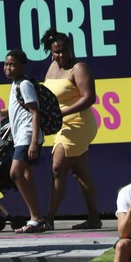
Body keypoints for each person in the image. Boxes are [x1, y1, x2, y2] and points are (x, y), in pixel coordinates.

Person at [40, 29, 103, 230]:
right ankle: (94, 219)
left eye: (65, 51)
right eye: (57, 52)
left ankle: (48, 219)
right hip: (61, 124)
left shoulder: (79, 68)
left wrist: (63, 113)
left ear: (71, 49)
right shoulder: (51, 68)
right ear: (51, 52)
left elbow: (89, 98)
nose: (61, 55)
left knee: (58, 167)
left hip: (78, 124)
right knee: (79, 172)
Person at [1, 50, 46, 233]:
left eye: (12, 65)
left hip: (28, 137)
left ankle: (35, 217)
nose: (8, 68)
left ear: (22, 66)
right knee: (26, 174)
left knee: (15, 173)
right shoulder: (15, 84)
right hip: (21, 136)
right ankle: (36, 218)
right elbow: (19, 110)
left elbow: (35, 112)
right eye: (6, 64)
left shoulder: (25, 84)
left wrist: (34, 142)